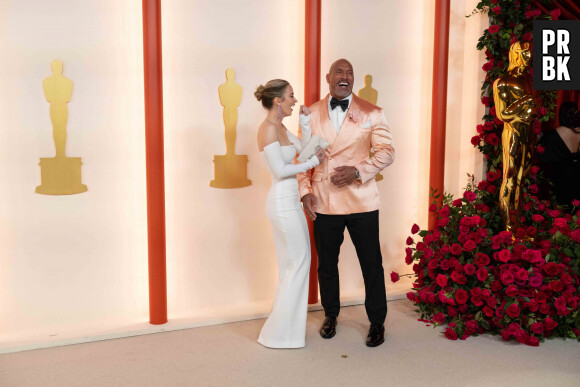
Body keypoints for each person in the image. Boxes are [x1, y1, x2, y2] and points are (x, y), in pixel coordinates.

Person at [298, 59, 395, 347]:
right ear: (328, 78)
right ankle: (330, 314)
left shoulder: (371, 112)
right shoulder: (311, 113)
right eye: (339, 72)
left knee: (372, 264)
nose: (345, 77)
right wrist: (305, 191)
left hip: (362, 201)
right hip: (324, 200)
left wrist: (357, 171)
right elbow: (302, 158)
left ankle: (377, 322)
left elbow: (387, 151)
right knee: (326, 264)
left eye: (349, 73)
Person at [255, 79, 326, 348]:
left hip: (291, 202)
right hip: (281, 204)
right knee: (297, 263)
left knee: (293, 265)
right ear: (277, 101)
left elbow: (305, 149)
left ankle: (282, 333)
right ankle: (280, 334)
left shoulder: (282, 127)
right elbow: (279, 171)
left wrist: (306, 124)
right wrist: (311, 163)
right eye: (291, 96)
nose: (295, 100)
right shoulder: (267, 130)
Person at [492, 41, 537, 233]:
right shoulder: (503, 81)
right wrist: (525, 101)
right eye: (525, 53)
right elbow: (502, 115)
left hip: (528, 132)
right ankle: (508, 228)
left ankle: (517, 227)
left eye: (530, 53)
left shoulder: (528, 80)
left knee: (521, 180)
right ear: (516, 54)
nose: (529, 57)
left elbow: (535, 108)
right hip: (512, 132)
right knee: (509, 179)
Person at [538, 101, 580, 211]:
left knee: (562, 213)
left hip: (561, 180)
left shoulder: (553, 135)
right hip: (578, 178)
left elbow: (541, 156)